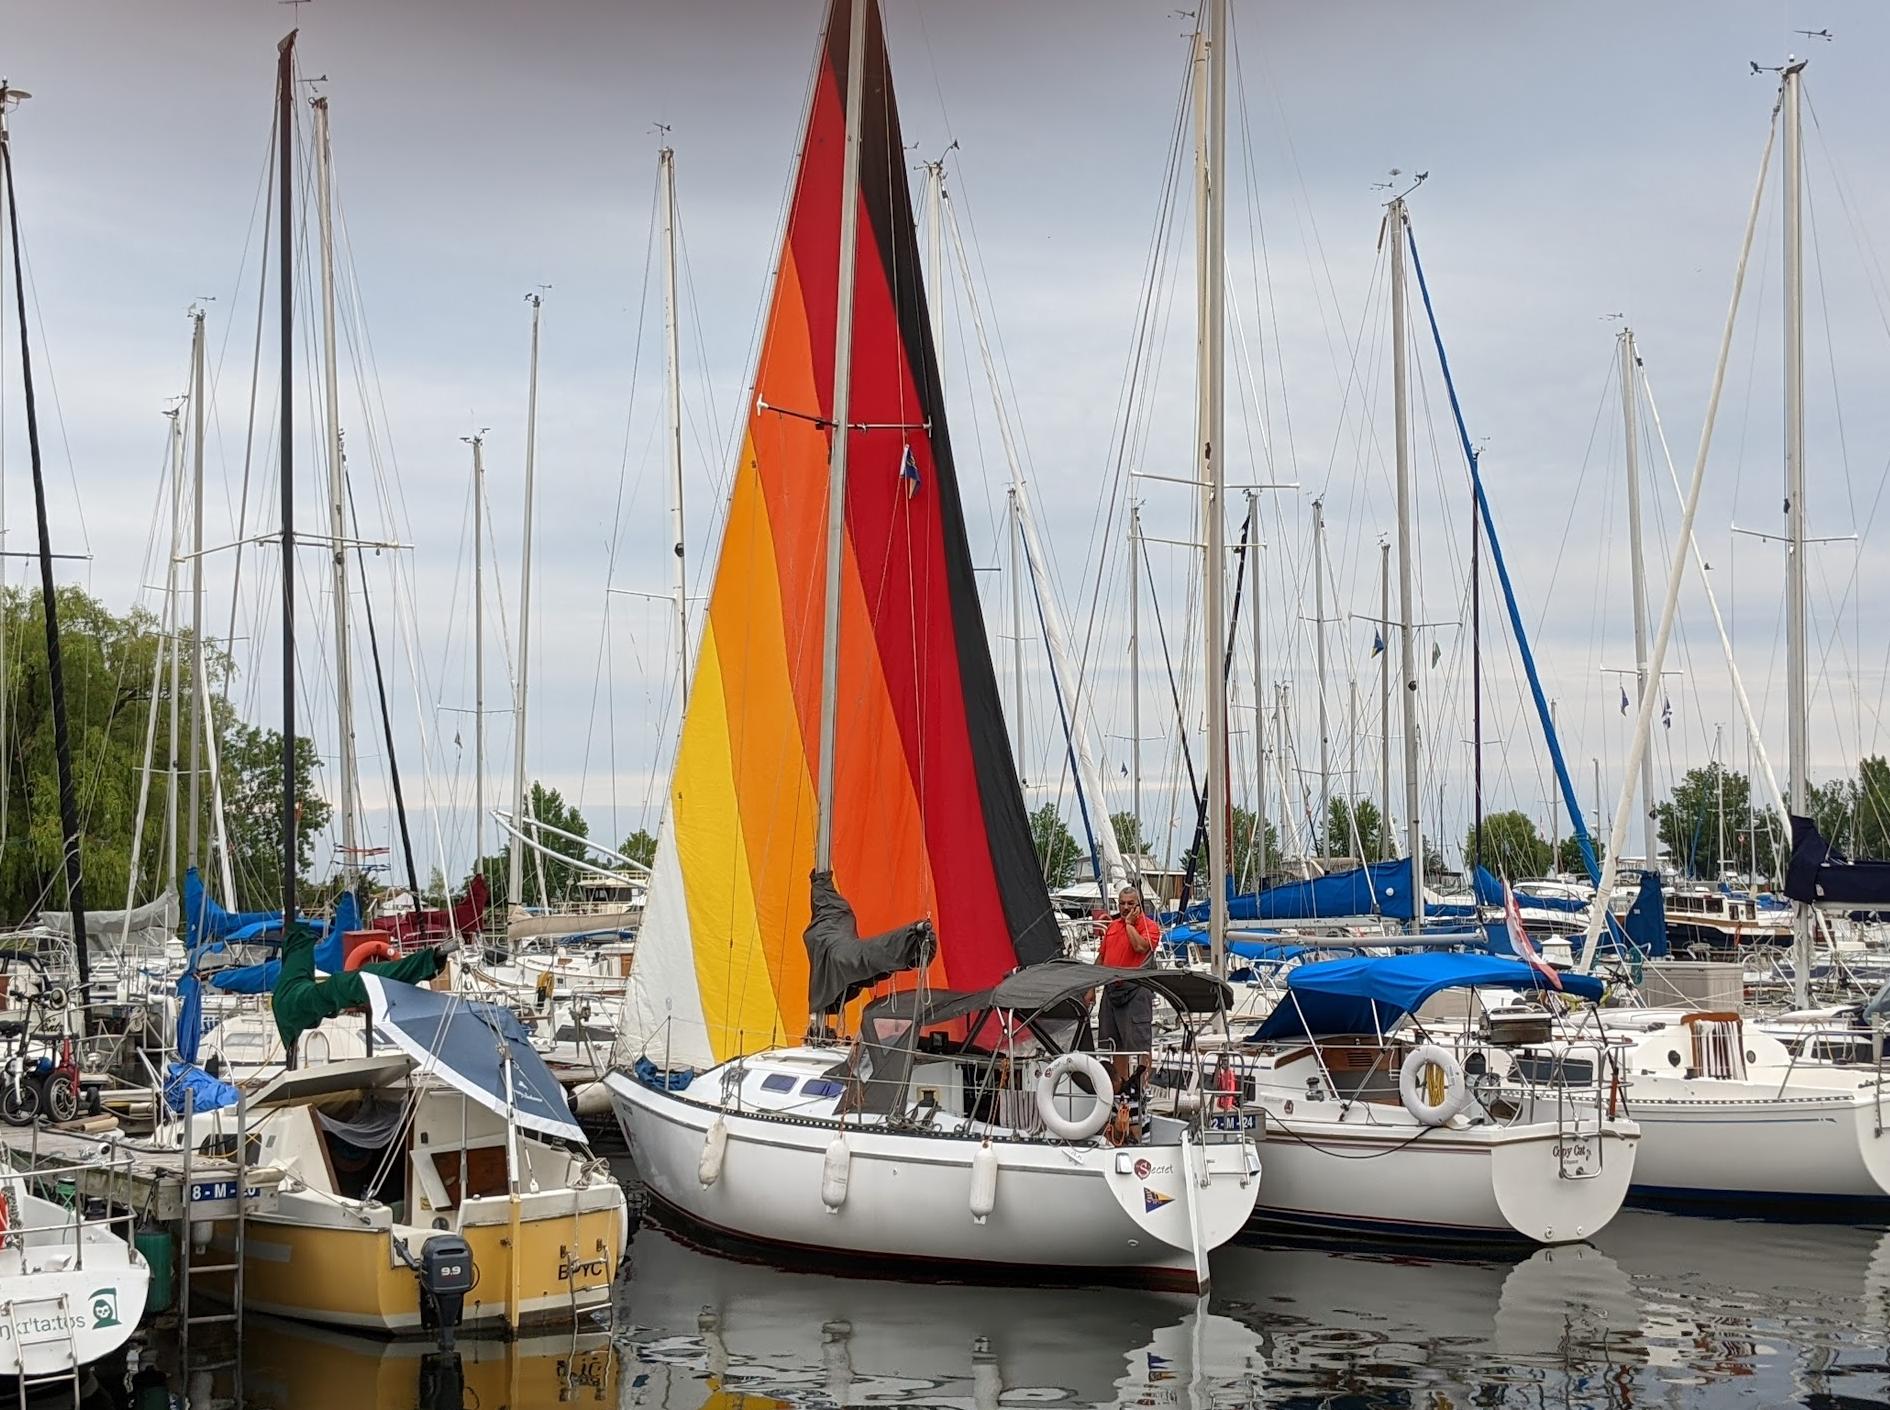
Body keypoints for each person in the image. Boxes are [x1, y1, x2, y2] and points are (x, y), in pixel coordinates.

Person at [1097, 885, 1159, 1141]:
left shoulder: (1150, 926)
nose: (1124, 908)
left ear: (1138, 905)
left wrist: (1131, 924)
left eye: (1130, 903)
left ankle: (1141, 1091)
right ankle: (1120, 1090)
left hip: (1136, 989)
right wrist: (1091, 988)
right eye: (1122, 903)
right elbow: (1102, 957)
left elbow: (1140, 947)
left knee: (1139, 1044)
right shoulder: (1111, 928)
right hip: (1112, 989)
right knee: (1115, 1045)